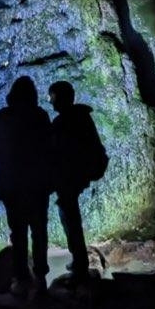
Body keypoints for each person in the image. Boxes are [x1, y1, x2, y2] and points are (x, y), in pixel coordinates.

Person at [0, 75, 53, 294]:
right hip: (37, 184)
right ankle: (40, 276)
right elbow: (51, 148)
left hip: (11, 184)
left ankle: (21, 278)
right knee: (39, 230)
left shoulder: (2, 118)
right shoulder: (40, 116)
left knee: (18, 232)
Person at [48, 80, 107, 285]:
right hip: (78, 174)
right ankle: (78, 260)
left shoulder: (64, 122)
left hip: (70, 176)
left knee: (70, 217)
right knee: (70, 215)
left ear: (61, 98)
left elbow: (56, 152)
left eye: (52, 97)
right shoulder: (83, 117)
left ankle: (80, 263)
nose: (50, 101)